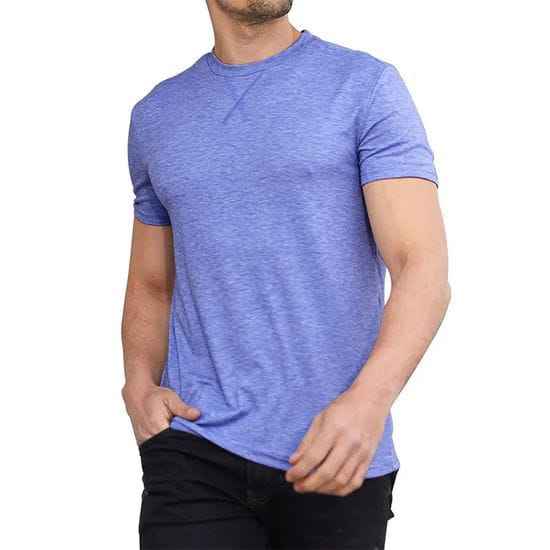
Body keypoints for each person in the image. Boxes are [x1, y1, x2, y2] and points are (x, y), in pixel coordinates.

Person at [121, 1, 450, 548]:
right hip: (193, 447)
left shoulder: (364, 86)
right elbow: (152, 282)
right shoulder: (157, 115)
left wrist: (368, 404)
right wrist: (138, 382)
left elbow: (422, 268)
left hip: (336, 449)